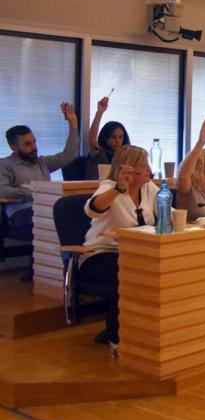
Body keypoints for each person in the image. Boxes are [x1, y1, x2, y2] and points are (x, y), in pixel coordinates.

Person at [82, 145, 158, 351]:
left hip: (134, 254)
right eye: (144, 165)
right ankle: (117, 336)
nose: (149, 169)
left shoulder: (148, 188)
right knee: (127, 272)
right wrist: (118, 189)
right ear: (129, 168)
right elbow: (91, 209)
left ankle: (142, 330)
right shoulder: (109, 186)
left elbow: (168, 211)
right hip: (100, 254)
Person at [0, 102, 80, 253]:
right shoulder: (5, 165)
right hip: (21, 213)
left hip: (46, 208)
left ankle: (64, 261)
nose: (34, 147)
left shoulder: (41, 162)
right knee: (57, 215)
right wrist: (31, 191)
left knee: (72, 212)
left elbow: (70, 155)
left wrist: (73, 124)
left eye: (34, 142)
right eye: (28, 144)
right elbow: (1, 190)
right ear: (13, 148)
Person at [86, 96, 131, 180]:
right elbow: (92, 140)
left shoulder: (125, 156)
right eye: (113, 137)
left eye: (120, 137)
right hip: (96, 187)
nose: (117, 140)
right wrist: (99, 112)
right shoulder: (99, 153)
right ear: (105, 138)